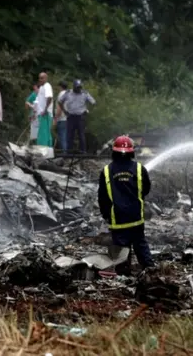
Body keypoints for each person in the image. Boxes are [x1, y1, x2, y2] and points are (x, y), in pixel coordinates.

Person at [98, 135, 155, 276]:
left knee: (121, 250)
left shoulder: (106, 171)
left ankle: (125, 276)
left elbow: (102, 197)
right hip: (136, 217)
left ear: (114, 151)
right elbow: (146, 189)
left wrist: (106, 215)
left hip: (117, 219)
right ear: (132, 152)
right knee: (141, 245)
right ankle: (151, 271)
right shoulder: (140, 169)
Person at [59, 79, 96, 153]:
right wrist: (64, 111)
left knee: (81, 135)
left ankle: (83, 152)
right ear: (74, 87)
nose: (79, 89)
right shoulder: (68, 93)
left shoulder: (85, 93)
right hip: (71, 116)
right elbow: (60, 101)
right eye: (77, 87)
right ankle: (69, 152)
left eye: (80, 87)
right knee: (69, 136)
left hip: (80, 117)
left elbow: (94, 102)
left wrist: (87, 110)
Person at [36, 72, 54, 147]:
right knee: (46, 133)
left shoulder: (47, 86)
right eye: (39, 78)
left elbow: (49, 97)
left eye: (42, 78)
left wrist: (45, 110)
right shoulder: (41, 87)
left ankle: (43, 150)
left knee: (43, 134)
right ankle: (48, 150)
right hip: (41, 113)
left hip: (45, 113)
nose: (40, 80)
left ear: (46, 78)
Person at [55, 81, 69, 152]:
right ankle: (66, 153)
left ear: (60, 87)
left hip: (62, 118)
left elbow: (59, 108)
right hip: (68, 118)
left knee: (62, 137)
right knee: (66, 137)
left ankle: (64, 154)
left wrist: (56, 118)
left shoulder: (61, 95)